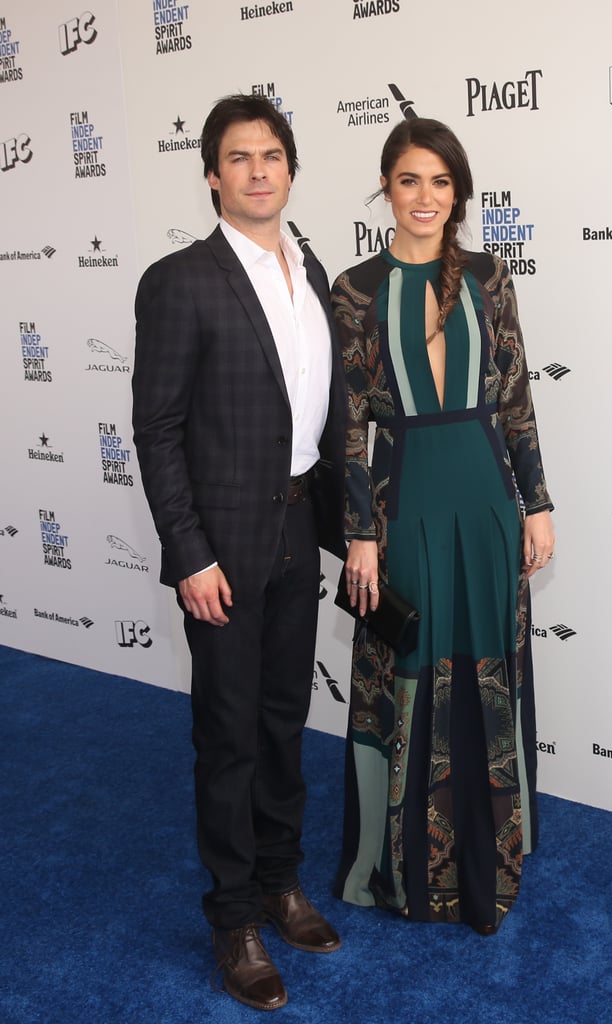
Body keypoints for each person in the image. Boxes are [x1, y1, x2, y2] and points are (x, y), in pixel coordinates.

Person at [132, 93, 346, 1012]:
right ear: (213, 174)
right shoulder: (179, 279)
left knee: (282, 723)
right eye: (238, 157)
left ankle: (279, 880)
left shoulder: (316, 268)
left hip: (300, 530)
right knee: (226, 740)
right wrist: (189, 553)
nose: (258, 171)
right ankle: (234, 921)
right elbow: (158, 429)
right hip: (221, 548)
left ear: (291, 169)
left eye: (272, 155)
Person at [332, 118, 555, 935]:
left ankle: (486, 860)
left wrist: (537, 503)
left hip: (487, 501)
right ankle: (404, 868)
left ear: (458, 193)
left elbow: (519, 397)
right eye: (408, 180)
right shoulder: (354, 289)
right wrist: (359, 530)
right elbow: (346, 423)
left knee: (485, 668)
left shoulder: (492, 278)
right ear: (386, 187)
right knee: (410, 671)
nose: (425, 197)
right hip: (405, 505)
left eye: (440, 181)